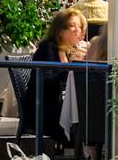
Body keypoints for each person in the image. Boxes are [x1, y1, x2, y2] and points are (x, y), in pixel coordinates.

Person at [20, 8, 87, 145]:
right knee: (85, 122)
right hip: (42, 110)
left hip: (56, 106)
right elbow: (47, 80)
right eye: (72, 26)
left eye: (79, 27)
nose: (77, 30)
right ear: (60, 31)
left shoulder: (67, 51)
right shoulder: (47, 48)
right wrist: (70, 67)